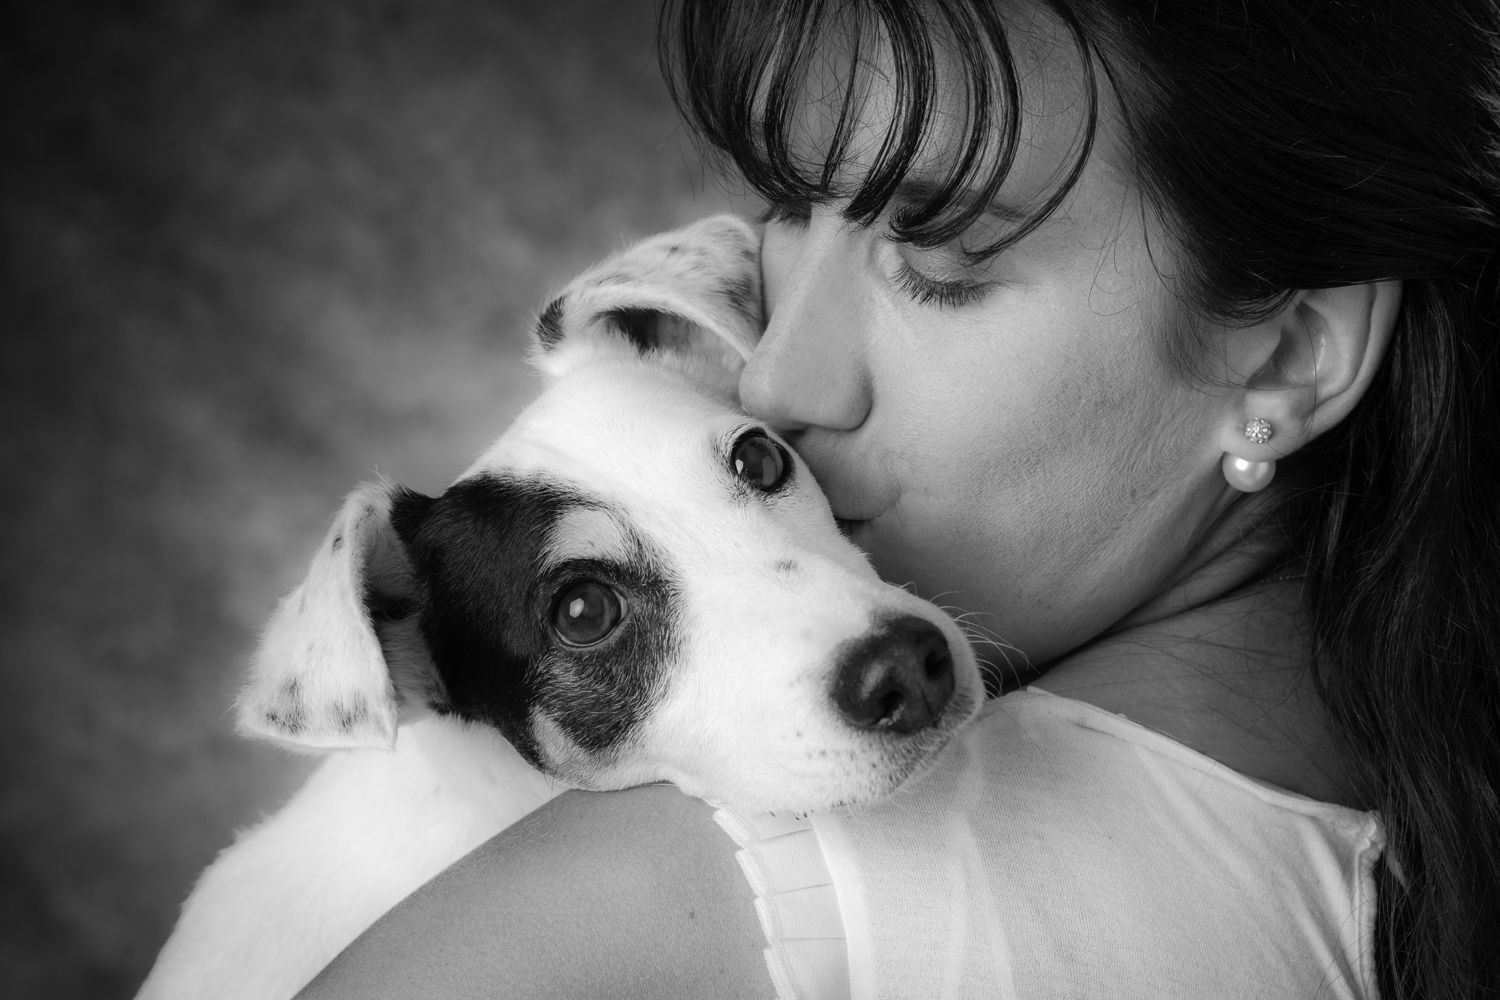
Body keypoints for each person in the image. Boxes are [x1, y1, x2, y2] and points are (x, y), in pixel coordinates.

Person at [297, 1, 1500, 997]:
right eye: (785, 207)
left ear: (1289, 351)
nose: (778, 376)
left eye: (941, 265)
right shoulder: (1420, 813)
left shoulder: (698, 903)